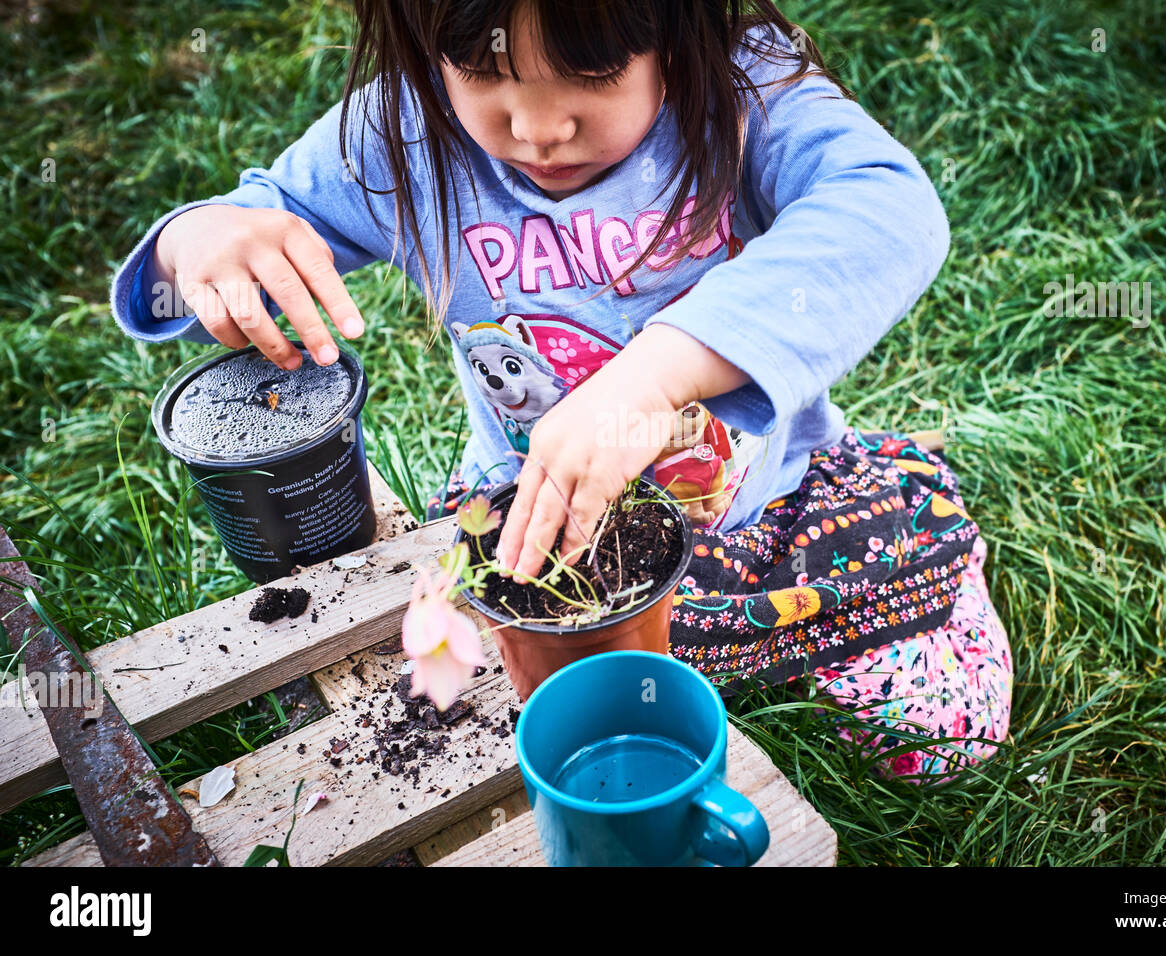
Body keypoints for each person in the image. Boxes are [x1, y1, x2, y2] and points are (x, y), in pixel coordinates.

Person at [110, 0, 1011, 782]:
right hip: (529, 539)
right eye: (481, 70)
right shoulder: (406, 132)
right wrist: (200, 240)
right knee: (451, 717)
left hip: (767, 513)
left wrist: (655, 379)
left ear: (678, 27)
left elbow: (889, 209)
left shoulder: (746, 96)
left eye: (592, 73)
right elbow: (231, 261)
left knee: (939, 731)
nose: (538, 129)